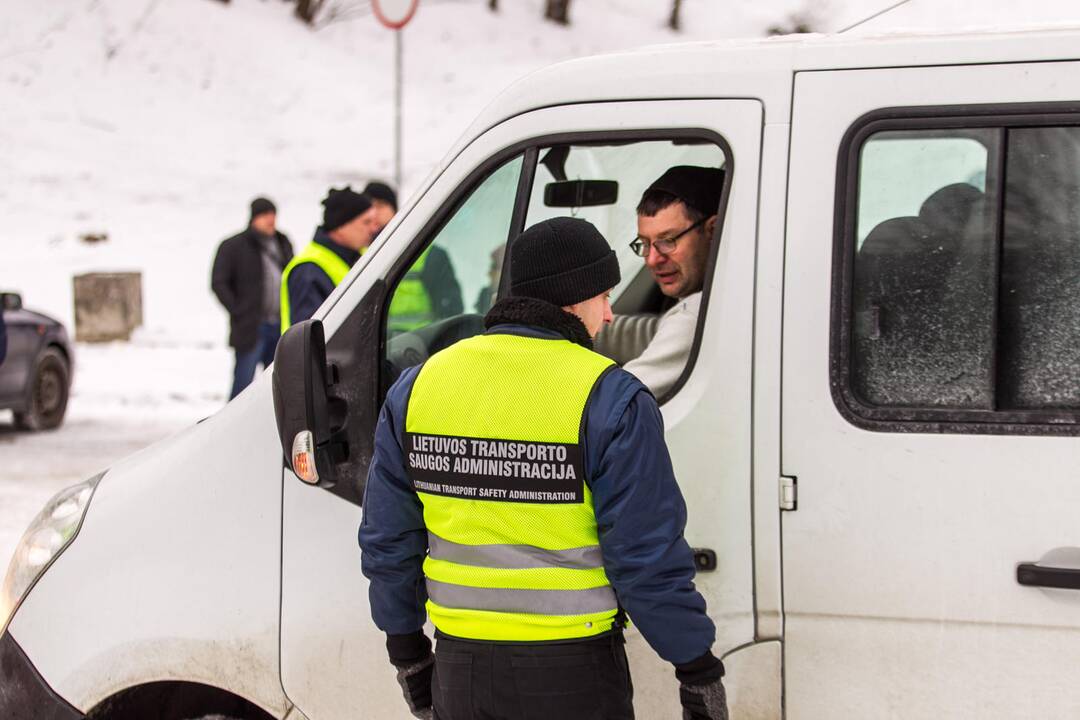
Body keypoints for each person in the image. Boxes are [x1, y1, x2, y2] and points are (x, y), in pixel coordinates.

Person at [359, 217, 727, 720]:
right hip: (573, 675)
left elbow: (388, 540)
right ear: (574, 298)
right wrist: (696, 666)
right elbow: (645, 557)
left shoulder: (418, 386)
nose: (611, 314)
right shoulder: (608, 396)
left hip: (459, 669)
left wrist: (407, 654)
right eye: (604, 297)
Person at [623, 166, 724, 398]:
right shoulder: (730, 298)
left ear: (713, 230)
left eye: (667, 241)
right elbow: (655, 332)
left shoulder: (697, 314)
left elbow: (612, 402)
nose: (652, 259)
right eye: (645, 244)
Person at [211, 197, 293, 399]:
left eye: (273, 214)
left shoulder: (282, 243)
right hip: (251, 327)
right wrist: (239, 310)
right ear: (254, 218)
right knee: (243, 385)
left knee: (278, 386)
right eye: (265, 215)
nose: (270, 220)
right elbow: (219, 282)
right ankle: (234, 427)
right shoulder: (234, 246)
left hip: (279, 326)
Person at [363, 180, 465, 334]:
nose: (374, 213)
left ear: (395, 210)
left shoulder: (429, 254)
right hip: (372, 349)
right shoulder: (358, 256)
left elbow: (451, 310)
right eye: (369, 207)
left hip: (420, 347)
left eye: (380, 205)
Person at [280, 186, 378, 329]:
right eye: (366, 222)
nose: (373, 229)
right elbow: (308, 340)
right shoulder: (308, 270)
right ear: (341, 225)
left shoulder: (357, 258)